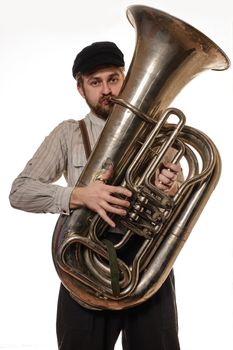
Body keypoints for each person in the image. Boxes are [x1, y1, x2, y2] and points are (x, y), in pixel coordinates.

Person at [9, 41, 182, 350]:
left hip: (146, 262)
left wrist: (169, 186)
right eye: (95, 82)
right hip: (83, 263)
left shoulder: (156, 132)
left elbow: (173, 197)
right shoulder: (68, 133)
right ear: (81, 88)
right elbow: (19, 191)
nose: (106, 89)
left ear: (126, 79)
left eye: (113, 79)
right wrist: (80, 196)